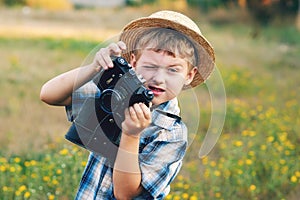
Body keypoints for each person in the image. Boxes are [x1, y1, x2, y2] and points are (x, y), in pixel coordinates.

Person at [40, 10, 215, 200]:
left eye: (173, 70)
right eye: (150, 66)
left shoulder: (171, 133)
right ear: (133, 62)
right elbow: (49, 95)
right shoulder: (116, 95)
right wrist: (93, 69)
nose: (159, 78)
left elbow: (125, 195)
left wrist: (131, 135)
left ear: (189, 75)